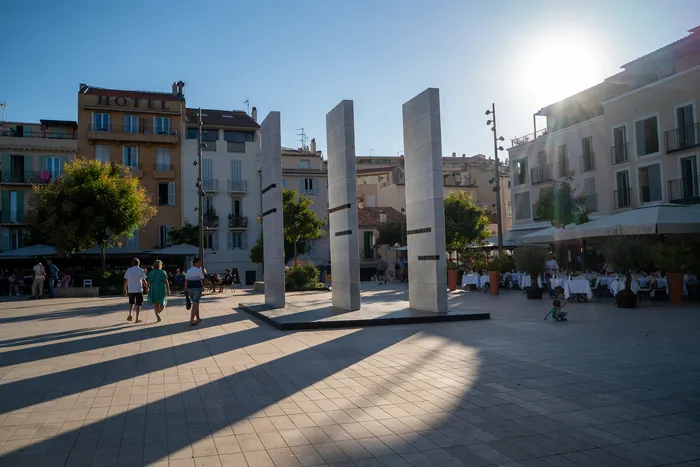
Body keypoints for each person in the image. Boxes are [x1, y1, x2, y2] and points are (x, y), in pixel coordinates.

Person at [124, 258, 148, 323]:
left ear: (132, 263)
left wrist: (125, 289)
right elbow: (144, 280)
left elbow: (126, 280)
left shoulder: (128, 270)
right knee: (138, 304)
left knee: (131, 303)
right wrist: (147, 287)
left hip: (131, 290)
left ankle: (130, 314)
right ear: (138, 263)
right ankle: (137, 319)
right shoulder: (141, 270)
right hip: (139, 290)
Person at [185, 257, 205, 326]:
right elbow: (203, 279)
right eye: (199, 262)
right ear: (195, 263)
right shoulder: (198, 270)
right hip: (197, 288)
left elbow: (186, 281)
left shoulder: (188, 270)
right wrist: (209, 282)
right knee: (195, 304)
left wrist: (185, 290)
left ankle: (198, 318)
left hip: (190, 289)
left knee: (195, 304)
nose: (200, 264)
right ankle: (191, 319)